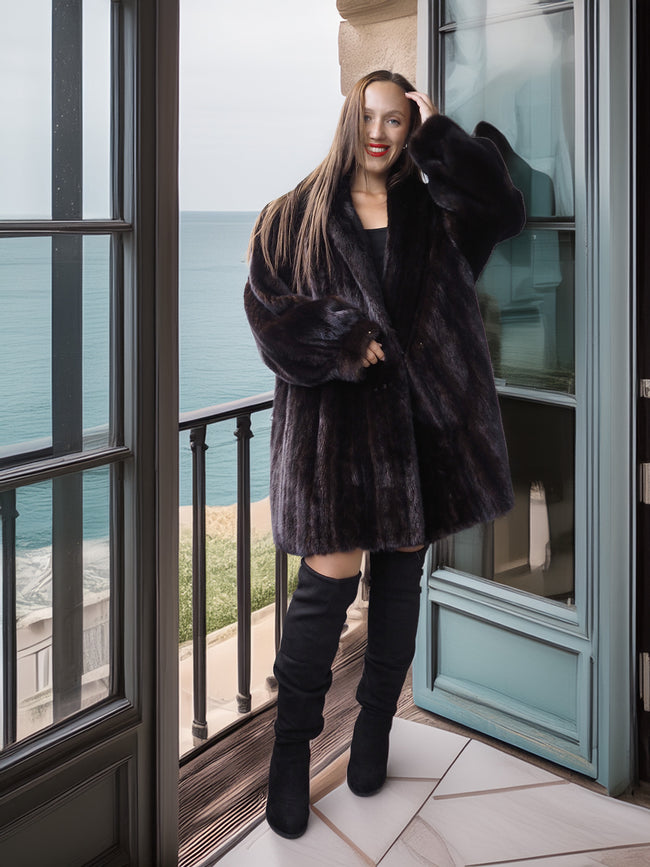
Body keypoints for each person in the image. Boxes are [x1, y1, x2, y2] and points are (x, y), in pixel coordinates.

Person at [244, 70, 525, 839]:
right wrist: (340, 338)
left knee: (401, 588)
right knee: (323, 599)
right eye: (367, 117)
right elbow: (268, 316)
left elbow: (503, 211)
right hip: (334, 444)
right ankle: (291, 754)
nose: (378, 133)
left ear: (409, 128)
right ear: (348, 120)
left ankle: (373, 734)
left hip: (419, 436)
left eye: (395, 121)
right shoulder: (292, 217)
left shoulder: (435, 214)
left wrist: (441, 136)